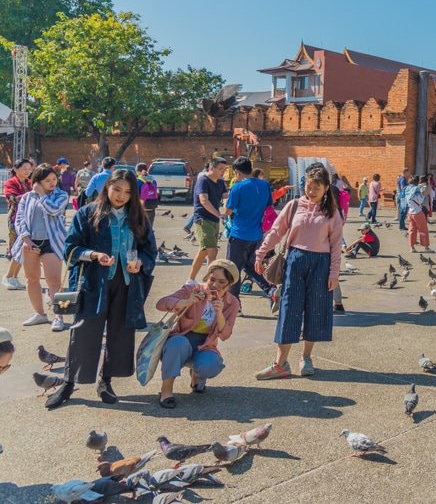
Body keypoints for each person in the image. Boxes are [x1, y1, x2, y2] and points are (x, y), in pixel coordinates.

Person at [45, 168, 157, 410]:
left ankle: (105, 381)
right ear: (107, 187)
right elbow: (70, 248)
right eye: (117, 189)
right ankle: (69, 382)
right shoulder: (87, 214)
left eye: (127, 192)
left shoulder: (138, 218)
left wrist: (140, 263)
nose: (121, 196)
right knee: (84, 331)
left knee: (120, 334)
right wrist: (93, 254)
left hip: (126, 283)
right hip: (94, 282)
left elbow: (150, 251)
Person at [253, 163, 344, 379]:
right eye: (309, 186)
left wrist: (334, 274)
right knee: (288, 309)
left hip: (321, 265)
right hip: (294, 261)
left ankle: (306, 357)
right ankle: (280, 364)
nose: (311, 192)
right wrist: (260, 253)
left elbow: (336, 246)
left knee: (316, 310)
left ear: (326, 189)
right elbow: (276, 231)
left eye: (316, 188)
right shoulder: (294, 206)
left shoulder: (332, 213)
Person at [155, 259, 240, 408]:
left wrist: (219, 313)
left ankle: (197, 375)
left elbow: (225, 335)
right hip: (181, 338)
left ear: (230, 284)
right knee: (177, 343)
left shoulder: (231, 303)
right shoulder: (193, 290)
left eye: (222, 282)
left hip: (205, 345)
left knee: (211, 365)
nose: (215, 285)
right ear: (207, 276)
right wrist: (186, 302)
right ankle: (166, 390)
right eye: (212, 279)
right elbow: (161, 303)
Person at [15, 164, 71, 330]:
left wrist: (41, 195)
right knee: (31, 279)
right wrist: (26, 238)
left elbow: (53, 210)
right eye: (47, 180)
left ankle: (58, 316)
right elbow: (19, 219)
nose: (52, 182)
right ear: (37, 181)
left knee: (53, 280)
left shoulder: (61, 195)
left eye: (54, 179)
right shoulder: (26, 197)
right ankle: (39, 313)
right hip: (31, 241)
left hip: (52, 241)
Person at [221, 157, 274, 310]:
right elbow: (269, 206)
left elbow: (228, 210)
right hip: (257, 235)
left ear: (236, 172)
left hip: (239, 234)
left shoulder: (237, 187)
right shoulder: (264, 185)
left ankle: (234, 304)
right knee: (251, 267)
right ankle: (270, 289)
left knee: (233, 270)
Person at [189, 157, 229, 281]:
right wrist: (218, 214)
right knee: (213, 250)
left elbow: (225, 195)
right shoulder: (203, 181)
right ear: (212, 168)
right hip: (202, 219)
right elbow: (204, 201)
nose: (223, 172)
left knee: (203, 251)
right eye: (220, 169)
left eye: (225, 169)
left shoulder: (220, 182)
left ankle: (190, 279)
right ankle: (210, 281)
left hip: (214, 221)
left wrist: (239, 190)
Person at [2, 158, 32, 290]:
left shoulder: (29, 182)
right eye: (24, 168)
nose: (27, 171)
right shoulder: (10, 182)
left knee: (23, 250)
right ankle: (8, 276)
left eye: (29, 168)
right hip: (15, 219)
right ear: (15, 169)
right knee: (16, 247)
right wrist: (31, 195)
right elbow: (12, 198)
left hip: (28, 219)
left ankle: (14, 277)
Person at [405, 175, 433, 254]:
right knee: (423, 229)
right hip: (417, 211)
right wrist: (422, 194)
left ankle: (412, 247)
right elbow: (420, 200)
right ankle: (426, 247)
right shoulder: (416, 189)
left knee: (412, 230)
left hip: (410, 211)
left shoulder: (407, 189)